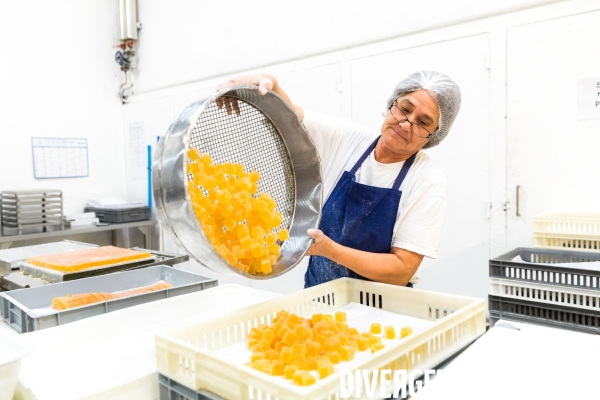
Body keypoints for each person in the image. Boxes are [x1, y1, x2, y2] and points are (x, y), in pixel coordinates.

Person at [216, 71, 461, 288]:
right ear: (391, 104)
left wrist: (329, 250)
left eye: (422, 122)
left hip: (384, 315)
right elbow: (289, 114)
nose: (406, 124)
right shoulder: (349, 139)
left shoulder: (427, 180)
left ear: (432, 136)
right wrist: (268, 84)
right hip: (320, 300)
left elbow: (401, 270)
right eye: (405, 109)